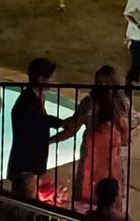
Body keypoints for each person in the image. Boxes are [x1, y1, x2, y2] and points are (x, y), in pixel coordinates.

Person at [6, 58, 83, 200]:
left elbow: (41, 119)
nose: (55, 80)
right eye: (52, 77)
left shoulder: (34, 98)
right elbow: (36, 127)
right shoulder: (27, 103)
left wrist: (60, 123)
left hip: (29, 163)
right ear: (41, 79)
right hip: (26, 164)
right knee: (25, 200)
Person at [72, 65, 129, 207]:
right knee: (86, 192)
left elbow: (125, 140)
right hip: (91, 159)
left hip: (111, 162)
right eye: (100, 83)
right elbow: (73, 125)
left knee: (109, 196)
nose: (103, 87)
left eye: (107, 83)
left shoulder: (122, 105)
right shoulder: (88, 104)